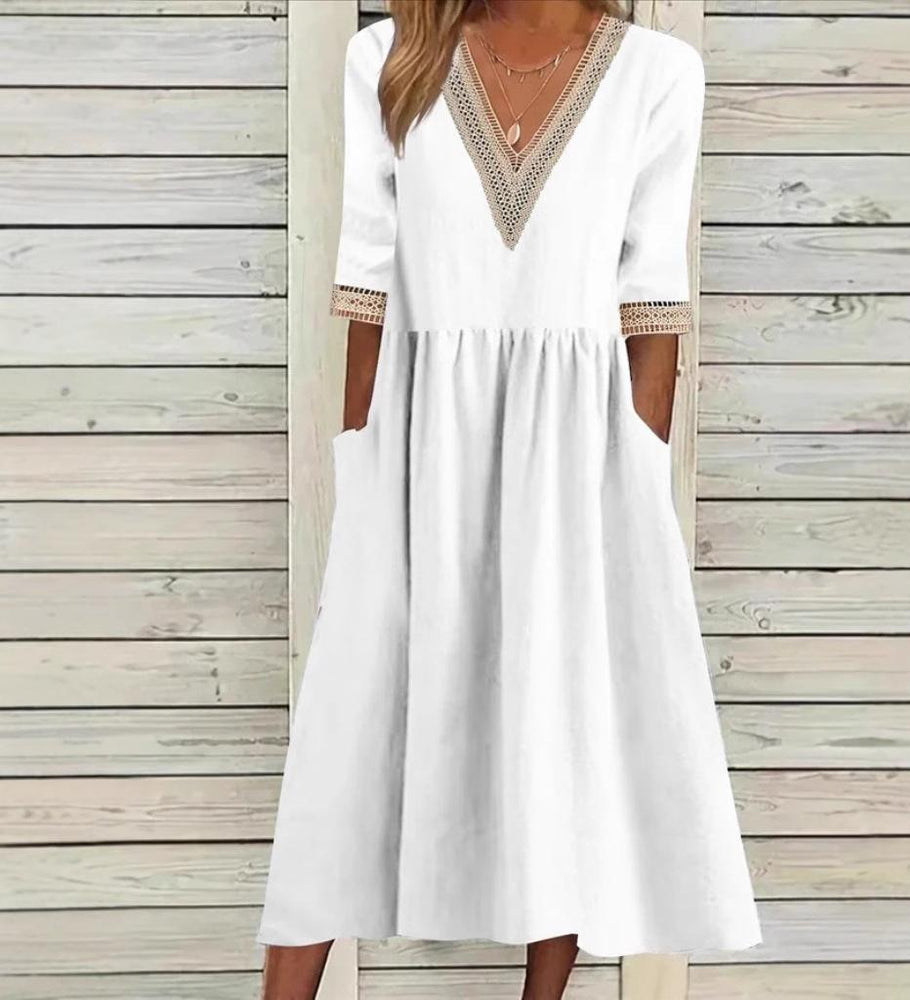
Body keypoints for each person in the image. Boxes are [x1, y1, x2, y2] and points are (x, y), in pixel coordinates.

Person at [258, 1, 762, 996]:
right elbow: (366, 289)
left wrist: (632, 480)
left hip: (582, 457)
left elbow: (652, 302)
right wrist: (363, 471)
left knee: (556, 723)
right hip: (414, 448)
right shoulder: (392, 57)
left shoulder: (657, 74)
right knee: (345, 739)